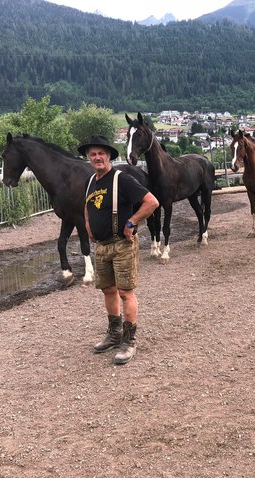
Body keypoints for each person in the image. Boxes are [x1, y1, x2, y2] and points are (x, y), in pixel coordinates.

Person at [81, 135, 159, 365]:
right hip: (102, 246)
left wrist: (132, 222)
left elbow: (152, 202)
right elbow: (87, 207)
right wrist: (88, 226)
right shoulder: (90, 181)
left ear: (109, 156)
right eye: (93, 154)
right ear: (89, 157)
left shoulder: (121, 179)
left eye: (101, 153)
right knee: (108, 290)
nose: (97, 157)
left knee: (125, 292)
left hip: (122, 244)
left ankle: (129, 340)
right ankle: (114, 334)